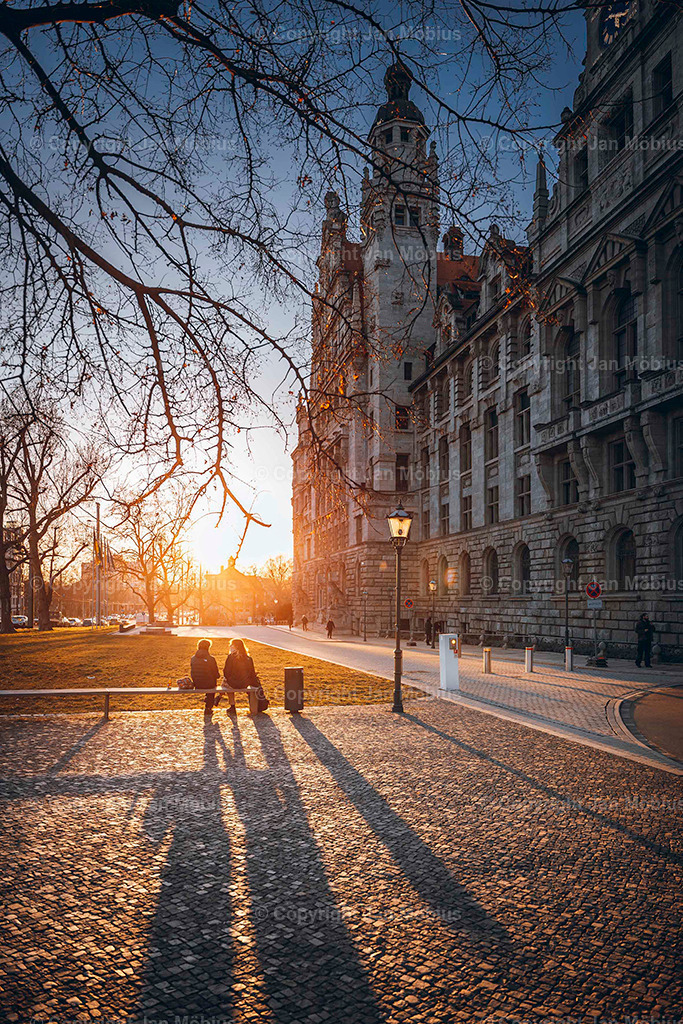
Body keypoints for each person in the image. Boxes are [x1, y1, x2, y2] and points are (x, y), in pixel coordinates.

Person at [222, 638, 269, 713]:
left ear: (236, 647)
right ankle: (254, 707)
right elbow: (252, 673)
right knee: (227, 681)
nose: (230, 646)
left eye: (232, 645)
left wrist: (229, 679)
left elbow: (226, 672)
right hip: (245, 683)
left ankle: (232, 706)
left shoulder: (231, 657)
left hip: (233, 684)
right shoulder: (248, 658)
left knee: (225, 683)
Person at [190, 638, 220, 716]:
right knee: (212, 685)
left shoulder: (193, 658)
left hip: (197, 684)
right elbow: (217, 675)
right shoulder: (211, 659)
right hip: (209, 684)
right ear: (208, 647)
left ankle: (208, 701)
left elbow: (192, 672)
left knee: (208, 681)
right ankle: (208, 708)